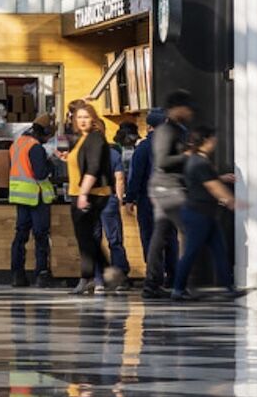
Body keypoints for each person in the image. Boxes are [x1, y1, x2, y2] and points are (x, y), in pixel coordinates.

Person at [172, 126, 245, 301]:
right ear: (205, 141)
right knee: (191, 251)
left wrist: (221, 182)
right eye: (212, 139)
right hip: (198, 214)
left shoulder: (197, 161)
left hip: (206, 213)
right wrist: (230, 200)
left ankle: (229, 287)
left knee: (219, 250)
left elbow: (207, 181)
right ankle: (178, 288)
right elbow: (211, 186)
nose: (215, 142)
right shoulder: (200, 162)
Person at [141, 92, 195, 299]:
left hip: (166, 188)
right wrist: (187, 155)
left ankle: (152, 284)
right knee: (190, 232)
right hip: (169, 190)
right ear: (176, 109)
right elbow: (162, 161)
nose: (190, 112)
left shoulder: (178, 130)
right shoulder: (166, 131)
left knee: (160, 235)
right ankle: (180, 284)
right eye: (187, 108)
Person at [68, 103, 123, 295]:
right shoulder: (81, 139)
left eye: (86, 117)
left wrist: (84, 193)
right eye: (79, 117)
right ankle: (105, 274)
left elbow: (93, 167)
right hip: (79, 193)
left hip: (92, 194)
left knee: (86, 237)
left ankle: (90, 277)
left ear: (93, 119)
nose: (82, 120)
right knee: (86, 238)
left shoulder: (95, 139)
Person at [125, 107, 177, 289]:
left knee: (150, 237)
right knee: (170, 238)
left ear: (149, 125)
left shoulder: (144, 148)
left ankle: (155, 277)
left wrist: (129, 198)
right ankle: (173, 276)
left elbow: (136, 175)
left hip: (149, 199)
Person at [9, 115, 56, 288]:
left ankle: (17, 274)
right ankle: (42, 274)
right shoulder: (36, 148)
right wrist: (51, 163)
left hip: (20, 196)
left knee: (20, 236)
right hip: (36, 197)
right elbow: (41, 173)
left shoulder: (17, 144)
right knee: (40, 235)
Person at [102, 122, 136, 280]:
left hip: (89, 200)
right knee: (114, 240)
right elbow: (120, 179)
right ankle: (121, 273)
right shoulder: (114, 153)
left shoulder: (83, 151)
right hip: (109, 199)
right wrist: (120, 198)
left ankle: (96, 278)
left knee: (92, 241)